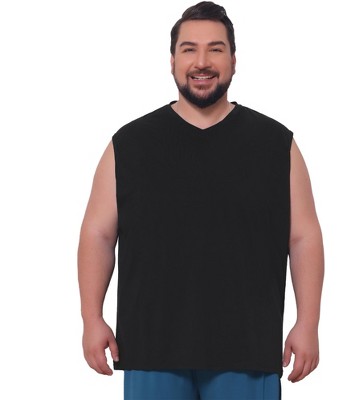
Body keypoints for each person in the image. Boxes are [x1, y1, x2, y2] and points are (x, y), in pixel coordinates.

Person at [78, 2, 324, 399]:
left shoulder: (276, 145)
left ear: (233, 60)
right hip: (151, 348)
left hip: (246, 350)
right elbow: (98, 235)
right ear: (173, 61)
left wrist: (307, 323)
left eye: (216, 49)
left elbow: (304, 237)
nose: (202, 62)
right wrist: (92, 318)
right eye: (189, 49)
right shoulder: (130, 144)